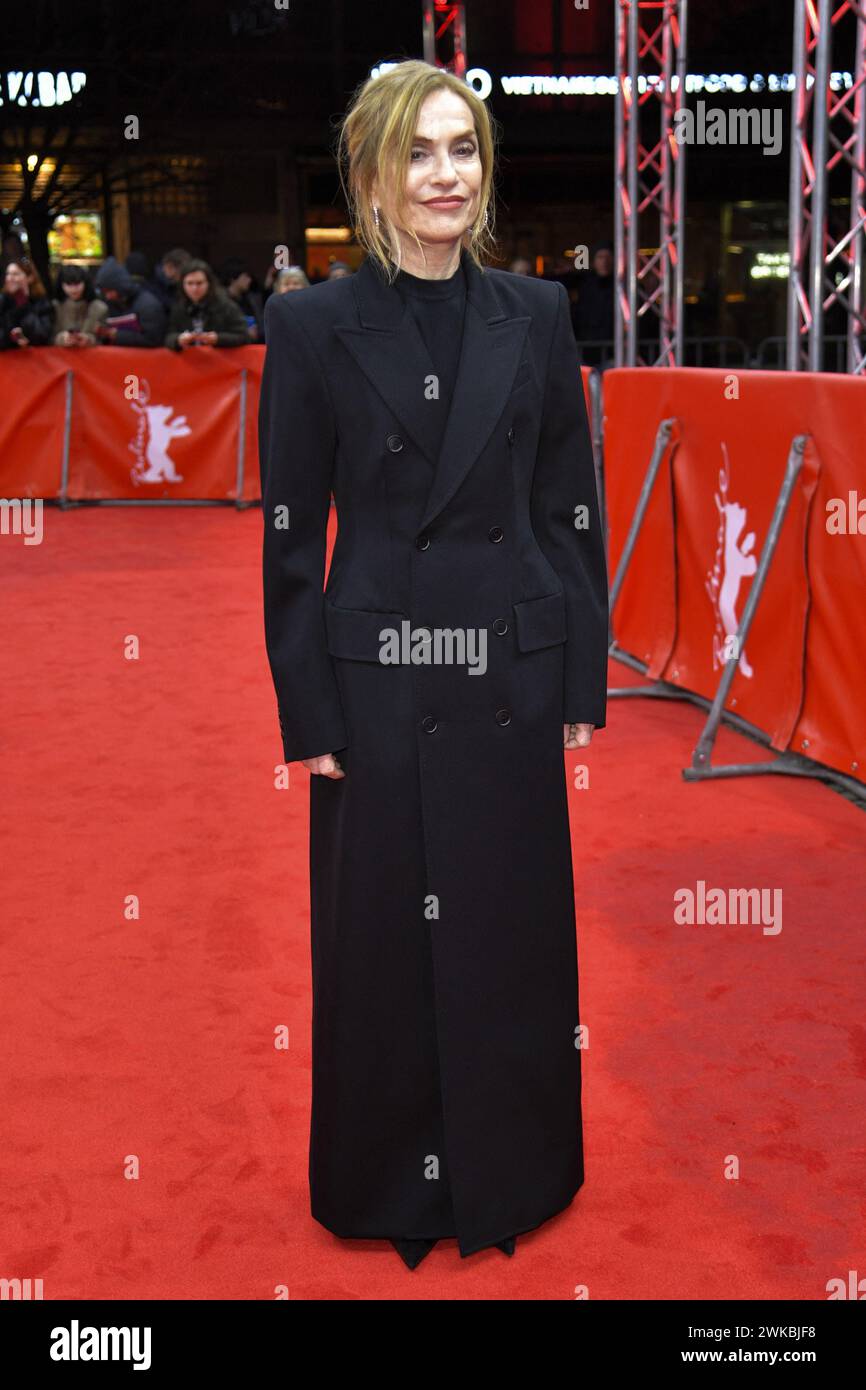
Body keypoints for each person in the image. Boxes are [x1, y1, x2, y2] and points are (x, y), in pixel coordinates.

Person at [258, 58, 608, 1271]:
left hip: (508, 672)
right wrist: (305, 703)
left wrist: (578, 682)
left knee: (508, 930)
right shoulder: (306, 325)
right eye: (417, 150)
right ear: (369, 173)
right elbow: (294, 531)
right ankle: (391, 1179)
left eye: (462, 148)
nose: (444, 173)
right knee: (383, 943)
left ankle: (513, 1167)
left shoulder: (537, 314)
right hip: (377, 682)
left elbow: (567, 506)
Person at [164, 259, 251, 350]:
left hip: (220, 361)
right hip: (189, 361)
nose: (194, 288)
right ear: (182, 285)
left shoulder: (226, 305)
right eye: (190, 283)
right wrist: (178, 339)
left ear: (209, 283)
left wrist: (218, 338)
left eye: (199, 283)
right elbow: (168, 336)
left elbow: (244, 336)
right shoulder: (178, 307)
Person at [92, 257, 167, 346]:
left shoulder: (148, 305)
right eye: (104, 292)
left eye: (110, 291)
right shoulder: (108, 303)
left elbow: (154, 339)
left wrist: (117, 335)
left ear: (120, 287)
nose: (108, 296)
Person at [0, 259, 54, 348]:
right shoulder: (2, 300)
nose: (9, 278)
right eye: (8, 274)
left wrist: (24, 304)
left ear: (30, 278)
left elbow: (43, 336)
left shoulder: (42, 302)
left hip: (34, 356)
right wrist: (11, 338)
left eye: (15, 274)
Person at [52, 265, 108, 346]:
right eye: (68, 284)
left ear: (85, 283)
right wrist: (62, 339)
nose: (73, 289)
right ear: (61, 285)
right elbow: (47, 338)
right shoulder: (55, 306)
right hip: (61, 356)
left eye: (77, 284)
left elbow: (105, 340)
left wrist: (88, 340)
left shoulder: (100, 308)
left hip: (91, 356)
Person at [217, 257, 264, 339]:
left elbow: (260, 325)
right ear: (233, 278)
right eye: (246, 276)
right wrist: (244, 333)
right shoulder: (220, 301)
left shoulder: (251, 300)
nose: (249, 280)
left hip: (252, 346)